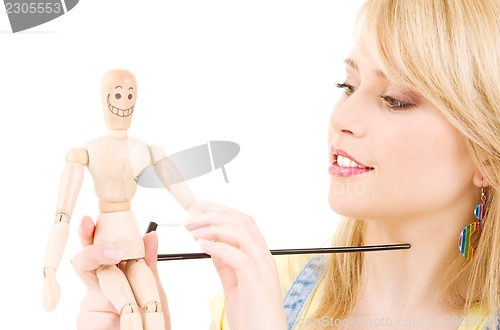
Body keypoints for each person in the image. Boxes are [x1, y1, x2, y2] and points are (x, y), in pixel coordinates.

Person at [71, 0, 500, 329]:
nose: (342, 118)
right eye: (347, 86)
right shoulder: (259, 288)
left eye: (395, 100)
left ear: (485, 154)